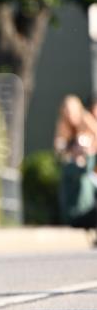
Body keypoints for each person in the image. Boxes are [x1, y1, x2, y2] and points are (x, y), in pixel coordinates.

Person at [53, 94, 97, 231]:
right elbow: (59, 147)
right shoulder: (63, 125)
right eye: (66, 112)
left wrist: (88, 149)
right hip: (79, 164)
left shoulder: (86, 119)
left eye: (71, 112)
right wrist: (69, 149)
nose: (69, 116)